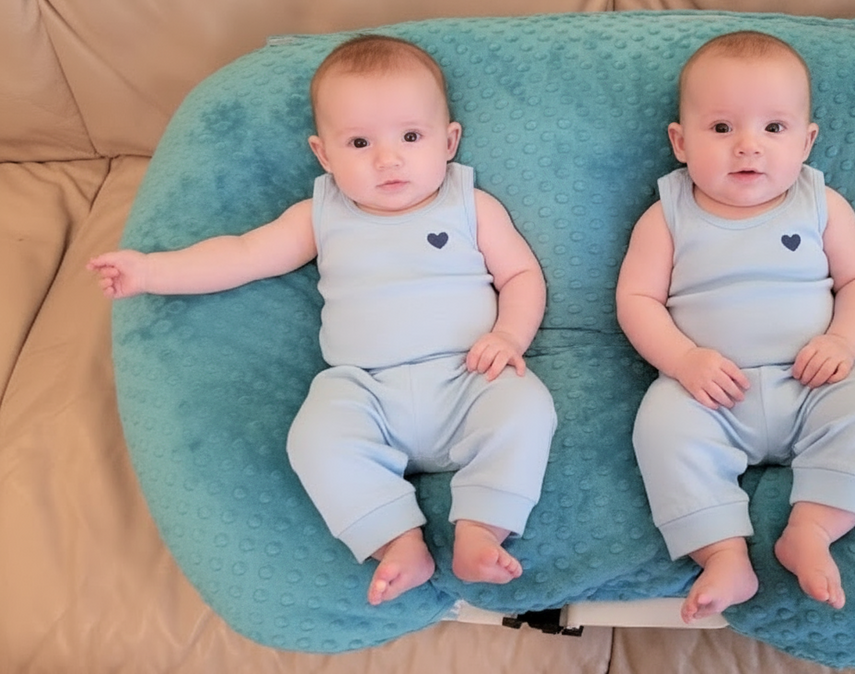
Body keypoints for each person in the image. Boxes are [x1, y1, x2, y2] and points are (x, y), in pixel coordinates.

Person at [89, 34, 556, 606]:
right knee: (314, 436)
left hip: (467, 377)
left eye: (411, 137)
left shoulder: (469, 205)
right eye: (359, 142)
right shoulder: (320, 213)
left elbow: (522, 277)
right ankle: (394, 539)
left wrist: (508, 336)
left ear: (448, 140)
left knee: (527, 406)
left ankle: (483, 527)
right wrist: (151, 272)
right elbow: (242, 254)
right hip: (366, 390)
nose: (388, 159)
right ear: (324, 155)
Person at [615, 31, 855, 623]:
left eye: (774, 128)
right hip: (709, 389)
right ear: (680, 141)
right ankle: (723, 554)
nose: (748, 147)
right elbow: (636, 298)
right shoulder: (667, 214)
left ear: (807, 140)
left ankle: (812, 529)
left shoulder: (823, 205)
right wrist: (681, 360)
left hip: (813, 379)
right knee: (660, 427)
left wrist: (843, 342)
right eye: (721, 129)